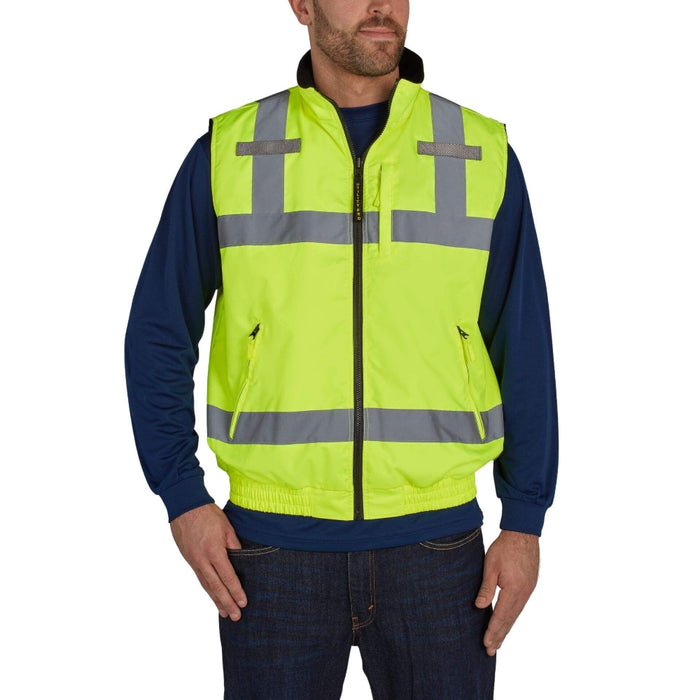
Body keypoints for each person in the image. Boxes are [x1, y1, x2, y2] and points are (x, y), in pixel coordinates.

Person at [124, 0, 558, 697]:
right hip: (269, 551)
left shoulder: (479, 152)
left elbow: (523, 341)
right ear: (302, 4)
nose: (382, 4)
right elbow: (158, 331)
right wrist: (181, 496)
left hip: (440, 552)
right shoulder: (229, 152)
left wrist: (526, 519)